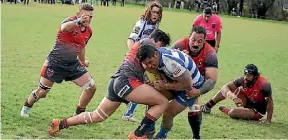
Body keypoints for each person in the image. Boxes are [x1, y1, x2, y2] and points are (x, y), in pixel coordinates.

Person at [48, 30, 171, 139]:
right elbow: (147, 66)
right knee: (162, 101)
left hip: (117, 81)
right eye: (161, 47)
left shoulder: (142, 44)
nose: (159, 53)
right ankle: (139, 134)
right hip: (127, 81)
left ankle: (61, 124)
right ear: (157, 41)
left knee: (97, 116)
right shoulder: (149, 44)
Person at [20, 3, 96, 118]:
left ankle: (78, 114)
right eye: (85, 16)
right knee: (42, 92)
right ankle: (26, 106)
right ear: (78, 14)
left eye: (90, 17)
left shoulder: (89, 31)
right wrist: (78, 21)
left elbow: (81, 47)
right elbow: (64, 28)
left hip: (72, 64)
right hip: (55, 62)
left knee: (91, 87)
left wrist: (83, 61)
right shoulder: (70, 21)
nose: (88, 19)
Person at [136, 45, 205, 139]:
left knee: (168, 112)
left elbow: (187, 85)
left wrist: (164, 86)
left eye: (150, 62)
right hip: (174, 80)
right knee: (152, 99)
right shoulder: (155, 57)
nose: (149, 66)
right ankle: (149, 131)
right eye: (145, 63)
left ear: (156, 54)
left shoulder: (171, 63)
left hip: (191, 86)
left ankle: (161, 136)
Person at [172, 26, 218, 139]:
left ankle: (196, 136)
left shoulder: (210, 54)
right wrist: (179, 58)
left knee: (194, 106)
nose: (196, 44)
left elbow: (211, 81)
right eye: (193, 40)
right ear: (189, 37)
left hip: (195, 83)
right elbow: (166, 62)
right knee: (158, 96)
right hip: (176, 79)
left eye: (200, 41)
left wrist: (197, 91)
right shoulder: (179, 45)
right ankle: (149, 127)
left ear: (204, 41)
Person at [123, 1, 163, 122]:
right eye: (153, 12)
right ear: (149, 11)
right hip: (136, 59)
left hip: (145, 61)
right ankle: (128, 112)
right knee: (140, 85)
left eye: (158, 12)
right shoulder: (141, 23)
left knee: (143, 84)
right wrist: (135, 56)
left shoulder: (156, 25)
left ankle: (131, 111)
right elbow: (130, 40)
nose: (155, 15)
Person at [201, 64, 273, 124]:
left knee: (233, 112)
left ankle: (229, 110)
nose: (245, 77)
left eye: (249, 75)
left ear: (255, 76)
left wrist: (268, 120)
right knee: (234, 89)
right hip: (249, 101)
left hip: (258, 111)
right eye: (245, 74)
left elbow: (270, 103)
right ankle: (208, 106)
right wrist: (233, 97)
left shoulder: (264, 85)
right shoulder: (243, 80)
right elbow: (225, 87)